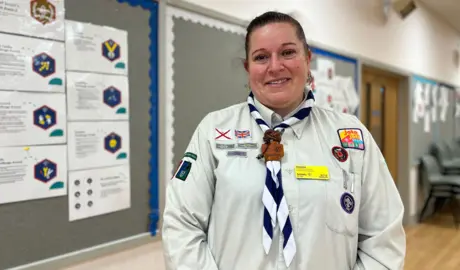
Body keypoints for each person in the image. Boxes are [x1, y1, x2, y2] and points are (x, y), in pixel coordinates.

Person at [162, 11, 406, 270]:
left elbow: (383, 239)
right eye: (261, 57)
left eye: (288, 52)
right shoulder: (213, 131)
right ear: (248, 68)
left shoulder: (351, 137)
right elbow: (182, 226)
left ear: (307, 58)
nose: (275, 66)